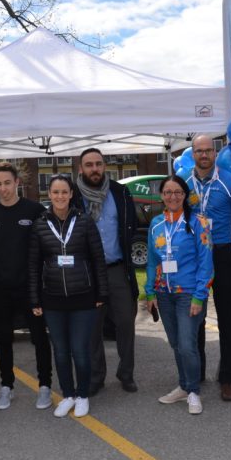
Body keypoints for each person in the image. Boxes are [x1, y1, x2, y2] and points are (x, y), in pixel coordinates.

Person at [28, 175, 108, 418]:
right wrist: (35, 299)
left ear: (71, 194)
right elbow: (33, 265)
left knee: (80, 350)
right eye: (55, 192)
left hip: (83, 297)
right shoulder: (40, 224)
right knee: (61, 351)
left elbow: (97, 259)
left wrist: (101, 292)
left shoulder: (84, 221)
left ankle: (83, 395)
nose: (60, 196)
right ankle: (68, 394)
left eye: (64, 192)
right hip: (52, 299)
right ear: (49, 195)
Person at [0, 162, 53, 411]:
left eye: (7, 183)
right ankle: (6, 385)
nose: (3, 189)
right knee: (3, 338)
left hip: (31, 288)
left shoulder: (34, 210)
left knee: (39, 338)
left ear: (17, 183)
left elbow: (48, 244)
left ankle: (44, 385)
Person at [72, 148, 139, 396]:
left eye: (98, 164)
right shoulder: (73, 196)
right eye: (89, 165)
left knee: (125, 323)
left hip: (117, 270)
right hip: (88, 274)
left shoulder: (120, 193)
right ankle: (96, 377)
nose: (94, 169)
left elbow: (130, 226)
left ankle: (126, 373)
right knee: (92, 328)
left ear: (105, 166)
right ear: (81, 169)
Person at [144, 176, 213, 415]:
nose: (173, 197)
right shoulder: (155, 224)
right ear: (161, 195)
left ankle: (193, 391)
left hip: (189, 293)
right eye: (168, 192)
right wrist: (150, 291)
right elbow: (152, 261)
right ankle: (183, 386)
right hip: (164, 294)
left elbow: (206, 262)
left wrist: (199, 295)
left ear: (185, 196)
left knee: (187, 344)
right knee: (175, 344)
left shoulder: (198, 222)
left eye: (178, 192)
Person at [186, 135, 231, 401]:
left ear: (216, 152)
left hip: (221, 252)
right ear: (193, 153)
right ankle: (196, 373)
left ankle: (228, 378)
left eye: (209, 150)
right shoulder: (183, 184)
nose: (204, 155)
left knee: (227, 316)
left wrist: (225, 241)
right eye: (199, 151)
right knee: (194, 314)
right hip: (194, 255)